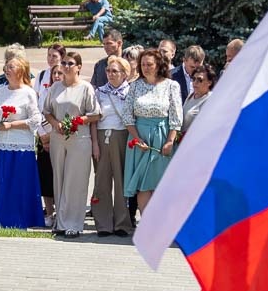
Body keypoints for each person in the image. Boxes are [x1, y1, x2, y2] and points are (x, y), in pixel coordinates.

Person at [43, 51, 100, 238]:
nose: (66, 66)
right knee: (59, 179)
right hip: (58, 138)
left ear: (79, 67)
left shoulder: (86, 88)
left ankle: (74, 223)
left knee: (75, 182)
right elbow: (47, 111)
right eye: (65, 63)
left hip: (80, 138)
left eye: (71, 63)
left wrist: (78, 121)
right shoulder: (55, 88)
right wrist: (55, 124)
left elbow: (95, 114)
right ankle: (60, 221)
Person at [0, 55, 42, 229]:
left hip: (20, 146)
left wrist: (12, 125)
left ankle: (17, 219)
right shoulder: (1, 90)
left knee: (16, 183)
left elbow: (35, 119)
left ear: (22, 70)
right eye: (6, 67)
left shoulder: (28, 92)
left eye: (11, 67)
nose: (7, 70)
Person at [121, 48, 182, 217]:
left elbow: (176, 116)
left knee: (162, 183)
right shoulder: (135, 86)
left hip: (162, 138)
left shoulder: (171, 86)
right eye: (143, 64)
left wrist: (170, 141)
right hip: (140, 139)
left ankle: (162, 224)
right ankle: (147, 224)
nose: (146, 68)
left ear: (158, 65)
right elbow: (127, 115)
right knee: (143, 183)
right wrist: (136, 138)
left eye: (150, 64)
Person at [93, 55, 133, 237]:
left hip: (122, 136)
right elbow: (93, 119)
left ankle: (122, 223)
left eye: (115, 71)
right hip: (102, 136)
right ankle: (103, 223)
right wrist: (94, 142)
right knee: (102, 181)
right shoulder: (99, 92)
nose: (110, 74)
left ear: (124, 74)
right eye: (108, 71)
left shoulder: (131, 92)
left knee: (121, 180)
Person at [37, 63, 63, 226]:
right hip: (44, 139)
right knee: (46, 177)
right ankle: (49, 212)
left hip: (61, 139)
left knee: (61, 177)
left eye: (60, 73)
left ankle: (62, 211)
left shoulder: (69, 91)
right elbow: (38, 113)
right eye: (55, 73)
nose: (57, 76)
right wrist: (43, 137)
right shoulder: (46, 91)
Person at [180, 63, 217, 140]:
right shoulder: (191, 95)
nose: (195, 82)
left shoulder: (211, 99)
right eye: (193, 79)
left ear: (209, 82)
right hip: (182, 143)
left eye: (200, 80)